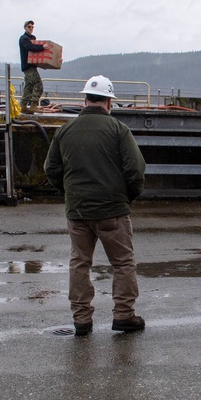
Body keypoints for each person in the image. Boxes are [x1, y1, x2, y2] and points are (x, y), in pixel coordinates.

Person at [44, 76, 147, 336]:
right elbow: (135, 170)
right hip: (112, 210)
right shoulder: (118, 130)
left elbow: (51, 169)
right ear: (109, 102)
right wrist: (126, 198)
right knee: (123, 263)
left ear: (84, 100)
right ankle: (124, 314)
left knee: (79, 262)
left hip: (77, 210)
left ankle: (81, 319)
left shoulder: (65, 131)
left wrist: (69, 192)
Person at [18, 20, 49, 113]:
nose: (31, 28)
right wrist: (42, 47)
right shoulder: (24, 38)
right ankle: (34, 104)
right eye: (29, 27)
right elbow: (31, 48)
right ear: (25, 27)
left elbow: (36, 53)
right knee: (38, 85)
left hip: (32, 65)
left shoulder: (32, 38)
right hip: (27, 66)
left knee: (29, 86)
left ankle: (23, 105)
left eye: (32, 27)